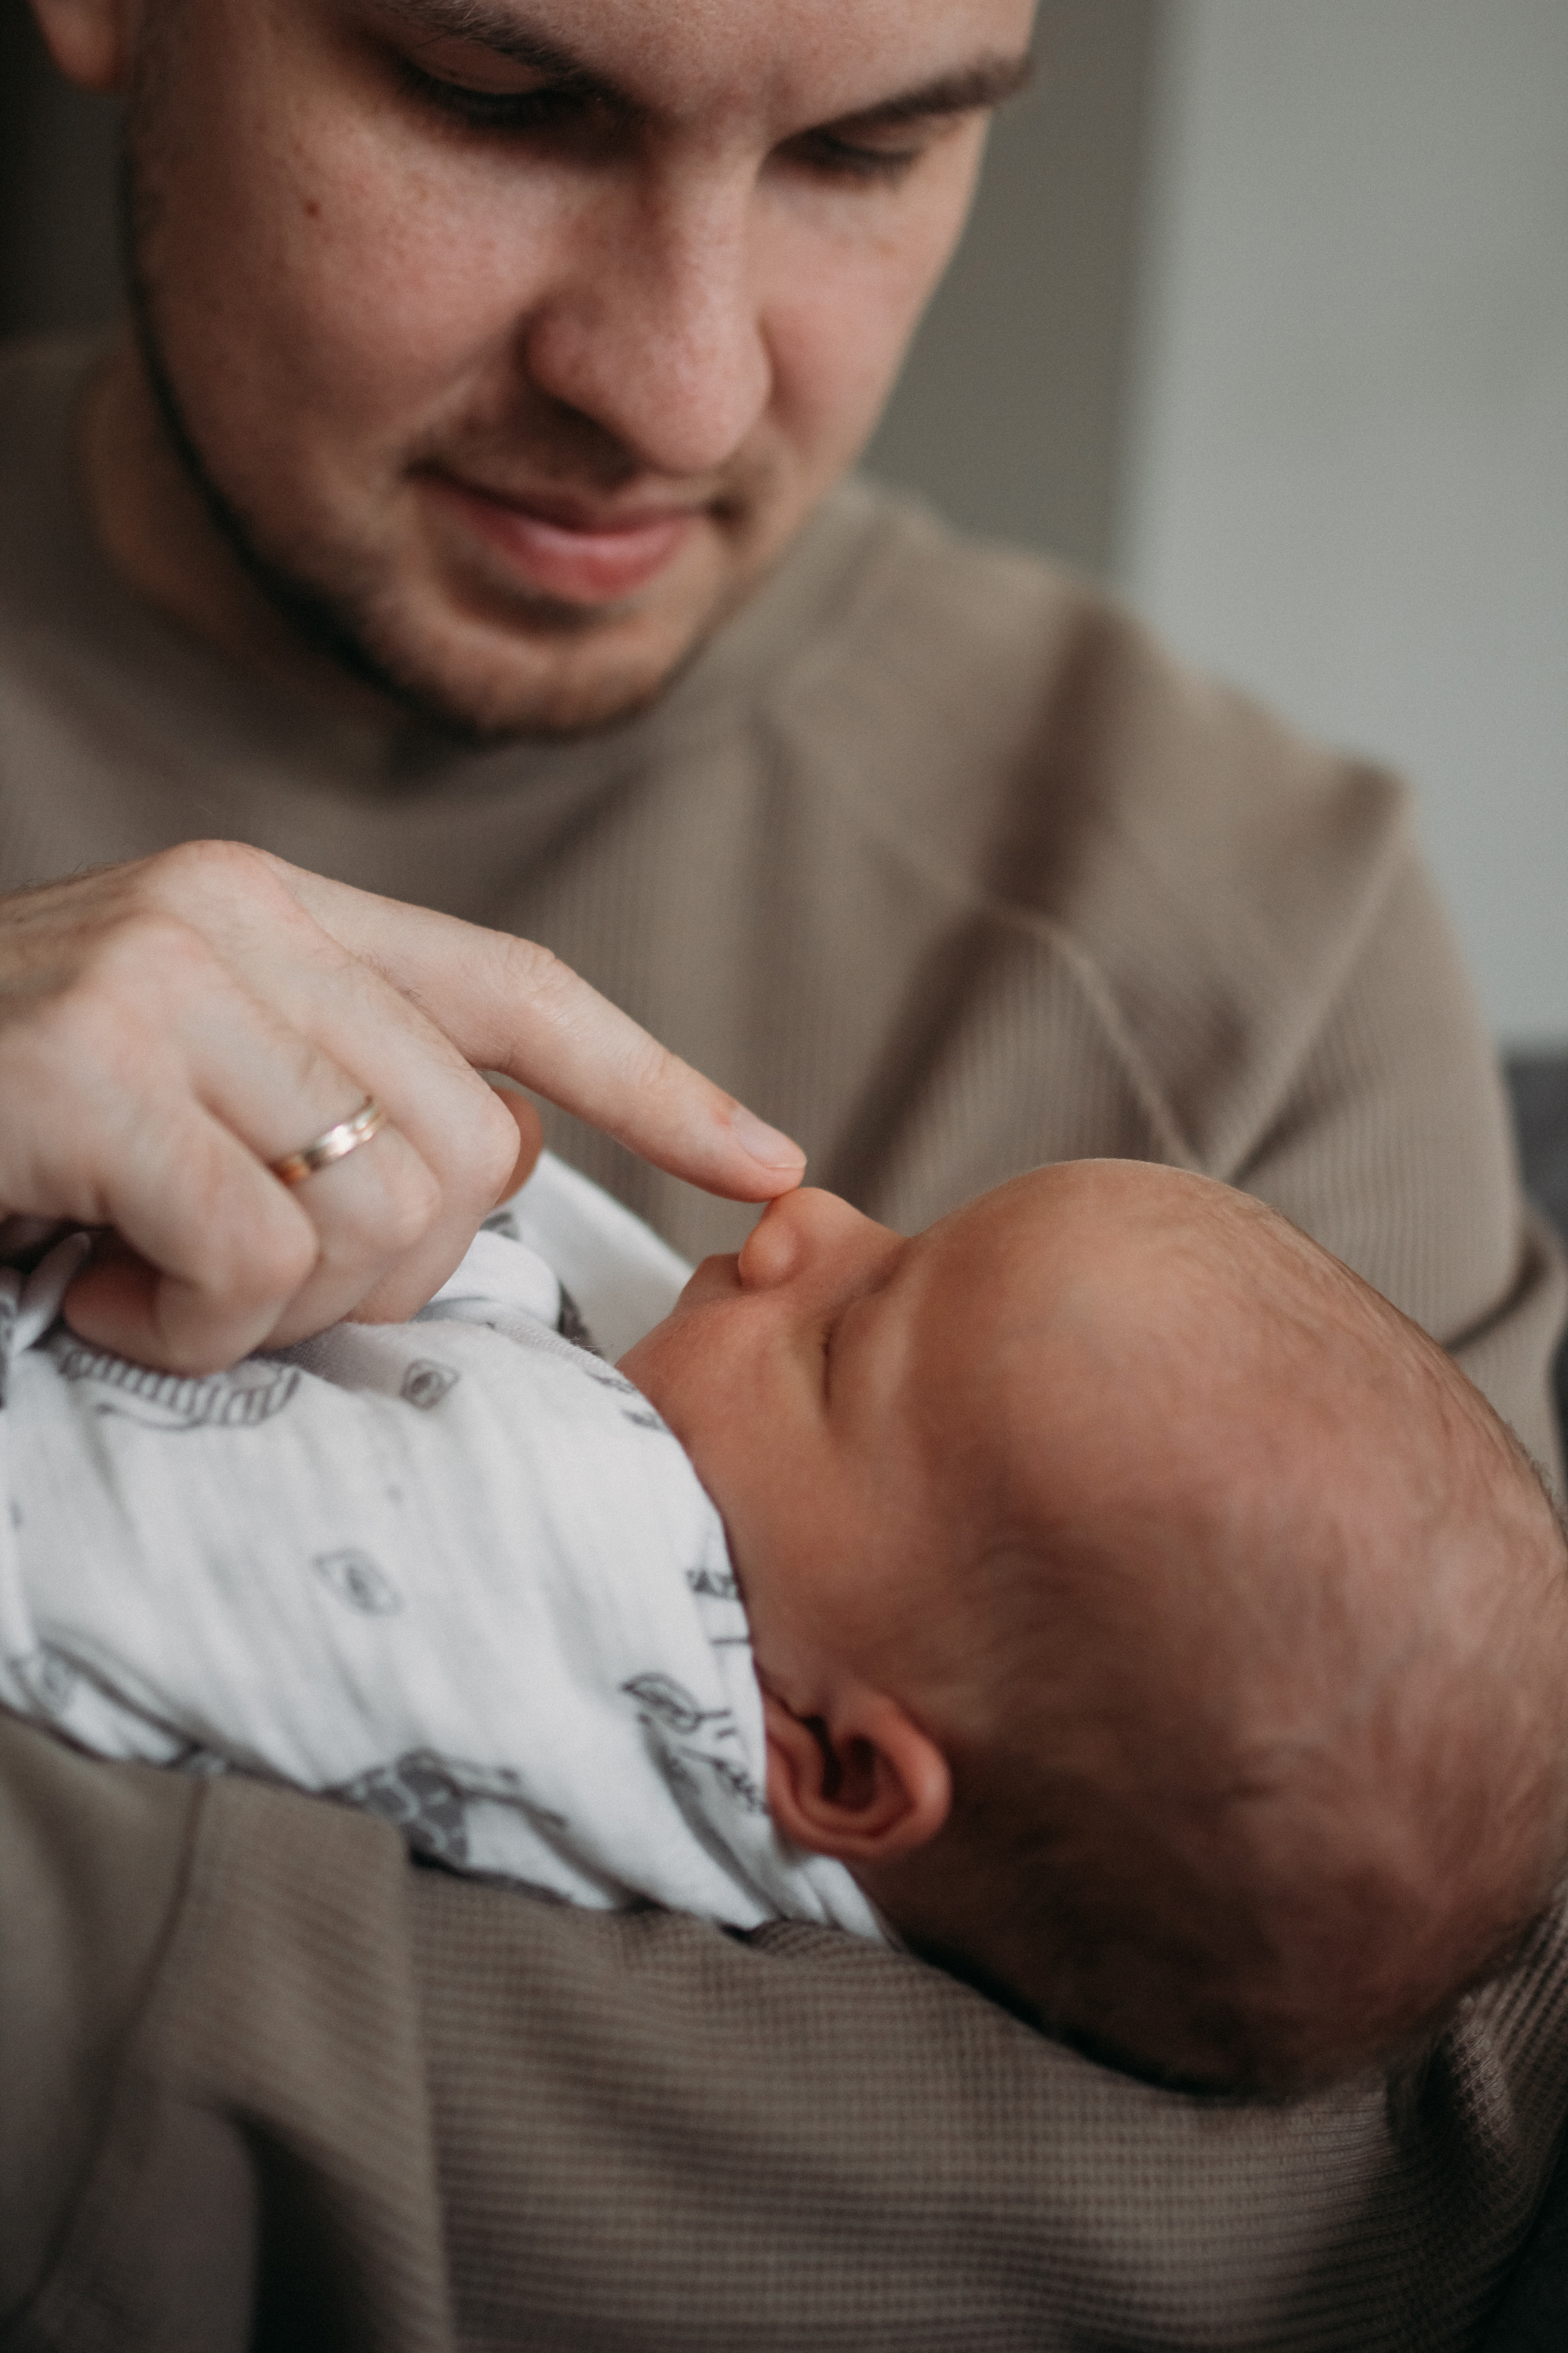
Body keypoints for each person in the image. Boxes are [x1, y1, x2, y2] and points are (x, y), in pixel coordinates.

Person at [3, 0, 1567, 2342]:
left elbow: (1349, 2189)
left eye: (872, 145)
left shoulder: (1257, 922)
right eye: (501, 97)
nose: (682, 390)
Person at [7, 1152, 1568, 2105]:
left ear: (833, 1758)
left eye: (843, 1339)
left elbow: (96, 1516)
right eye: (903, 1237)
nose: (799, 1222)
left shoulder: (573, 1556)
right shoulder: (772, 1595)